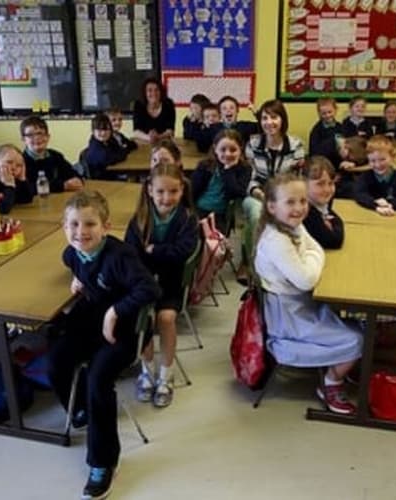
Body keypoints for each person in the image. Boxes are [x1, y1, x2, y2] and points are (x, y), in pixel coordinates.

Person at [47, 191, 159, 498]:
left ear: (106, 227)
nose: (80, 232)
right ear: (63, 226)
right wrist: (76, 279)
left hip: (126, 328)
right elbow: (70, 260)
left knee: (99, 380)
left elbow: (150, 288)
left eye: (89, 224)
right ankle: (84, 410)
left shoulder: (120, 256)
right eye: (73, 224)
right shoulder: (73, 253)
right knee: (55, 361)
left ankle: (103, 462)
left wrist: (115, 311)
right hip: (91, 321)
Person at [253, 172, 362, 415]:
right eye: (290, 202)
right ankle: (331, 384)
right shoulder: (276, 240)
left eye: (302, 201)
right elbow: (306, 278)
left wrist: (311, 258)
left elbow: (315, 249)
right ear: (271, 207)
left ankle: (337, 367)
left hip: (301, 307)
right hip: (288, 320)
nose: (299, 208)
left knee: (361, 326)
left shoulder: (293, 226)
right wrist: (313, 258)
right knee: (358, 339)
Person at [125, 162, 199, 408]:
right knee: (143, 316)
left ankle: (166, 374)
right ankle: (147, 370)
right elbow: (131, 255)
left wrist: (154, 250)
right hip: (144, 283)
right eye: (160, 192)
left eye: (173, 191)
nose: (167, 198)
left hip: (172, 282)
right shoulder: (140, 219)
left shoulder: (187, 219)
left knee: (165, 318)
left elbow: (183, 252)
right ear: (149, 190)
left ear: (181, 190)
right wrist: (158, 255)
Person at [244, 99, 306, 229]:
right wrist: (262, 196)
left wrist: (283, 201)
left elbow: (298, 179)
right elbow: (249, 178)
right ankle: (256, 249)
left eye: (274, 117)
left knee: (292, 218)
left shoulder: (296, 146)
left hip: (287, 196)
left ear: (282, 120)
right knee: (258, 216)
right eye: (264, 118)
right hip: (257, 195)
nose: (269, 122)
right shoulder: (252, 144)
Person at [191, 128, 251, 234]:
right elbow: (193, 190)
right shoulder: (205, 166)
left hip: (220, 215)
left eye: (233, 150)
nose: (228, 154)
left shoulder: (244, 169)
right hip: (199, 210)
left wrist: (228, 170)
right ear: (215, 149)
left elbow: (236, 193)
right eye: (223, 150)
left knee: (217, 243)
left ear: (240, 149)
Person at [20, 116, 83, 193]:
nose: (36, 138)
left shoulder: (56, 156)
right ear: (23, 139)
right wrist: (62, 186)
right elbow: (27, 188)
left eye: (40, 133)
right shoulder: (19, 161)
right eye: (30, 135)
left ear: (47, 137)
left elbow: (73, 174)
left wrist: (77, 180)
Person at [353, 136, 396, 215]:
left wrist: (388, 204)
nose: (378, 165)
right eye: (372, 161)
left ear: (392, 157)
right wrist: (375, 205)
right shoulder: (364, 177)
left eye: (382, 159)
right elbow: (359, 194)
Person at [302, 156, 344, 249]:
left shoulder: (319, 203)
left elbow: (332, 214)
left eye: (331, 183)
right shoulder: (306, 211)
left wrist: (333, 222)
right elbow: (334, 241)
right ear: (304, 184)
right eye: (320, 184)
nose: (327, 189)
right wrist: (335, 222)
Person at [312, 135, 368, 199]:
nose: (347, 160)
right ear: (346, 147)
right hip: (327, 183)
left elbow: (370, 166)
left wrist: (353, 168)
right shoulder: (326, 148)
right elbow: (315, 170)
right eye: (348, 158)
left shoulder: (345, 147)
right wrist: (331, 177)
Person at [84, 113, 128, 180]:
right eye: (100, 130)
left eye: (106, 129)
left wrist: (121, 152)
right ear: (93, 131)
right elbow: (108, 158)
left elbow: (121, 150)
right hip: (101, 182)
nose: (103, 133)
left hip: (111, 176)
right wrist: (121, 153)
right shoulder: (94, 146)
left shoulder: (109, 141)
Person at [132, 77, 176, 143]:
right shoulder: (138, 105)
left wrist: (158, 137)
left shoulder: (168, 104)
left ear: (161, 92)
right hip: (144, 142)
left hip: (164, 142)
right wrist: (149, 138)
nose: (154, 93)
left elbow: (170, 131)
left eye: (157, 90)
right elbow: (136, 132)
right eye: (149, 90)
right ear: (145, 93)